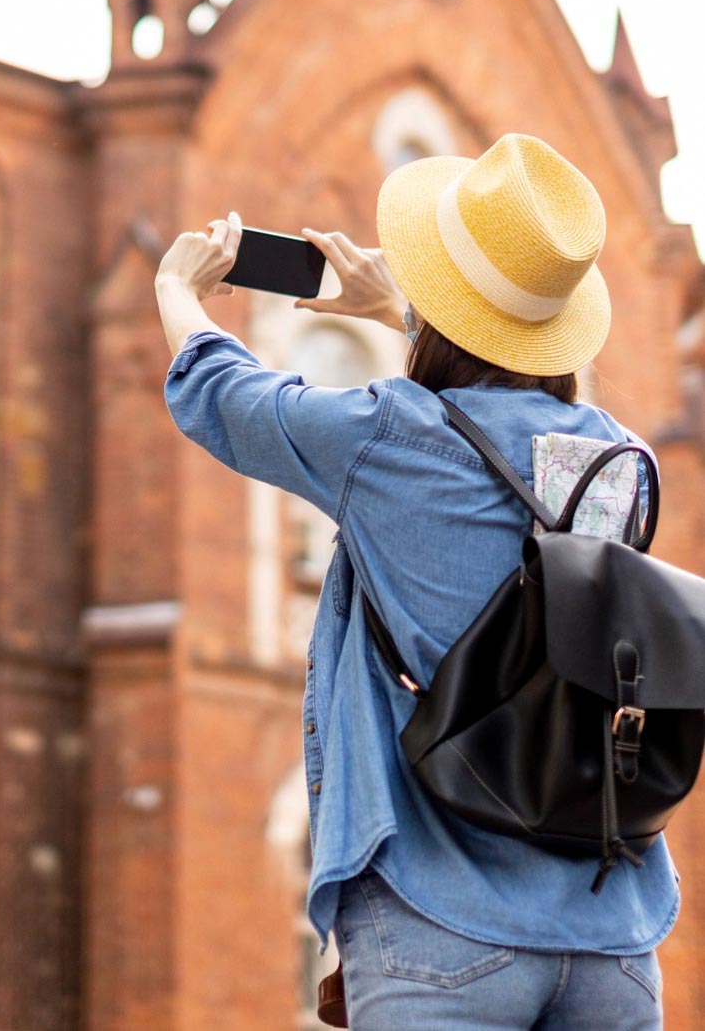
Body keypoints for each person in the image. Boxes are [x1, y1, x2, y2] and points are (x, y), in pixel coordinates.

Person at [154, 134, 678, 1030]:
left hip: (442, 919)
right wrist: (404, 310)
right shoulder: (620, 462)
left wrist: (178, 289)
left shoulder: (387, 439)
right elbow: (512, 419)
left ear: (442, 310)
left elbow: (227, 395)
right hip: (612, 934)